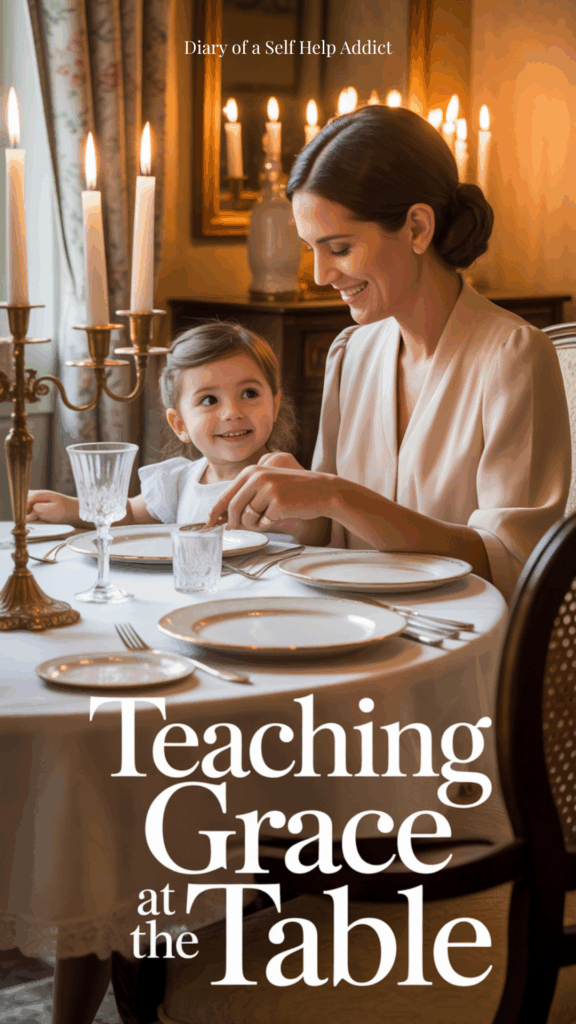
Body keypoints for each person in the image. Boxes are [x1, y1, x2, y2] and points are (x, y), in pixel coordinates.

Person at [206, 105, 571, 600]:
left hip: (459, 642)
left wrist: (335, 494)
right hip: (354, 623)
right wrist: (299, 507)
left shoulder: (513, 357)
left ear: (418, 228)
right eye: (310, 249)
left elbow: (508, 561)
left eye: (338, 249)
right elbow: (336, 535)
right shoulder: (350, 354)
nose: (319, 275)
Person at [26, 321, 296, 528]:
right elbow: (130, 513)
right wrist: (70, 508)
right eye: (209, 400)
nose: (232, 412)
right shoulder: (180, 482)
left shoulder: (280, 476)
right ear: (179, 424)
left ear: (274, 403)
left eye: (249, 394)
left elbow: (317, 533)